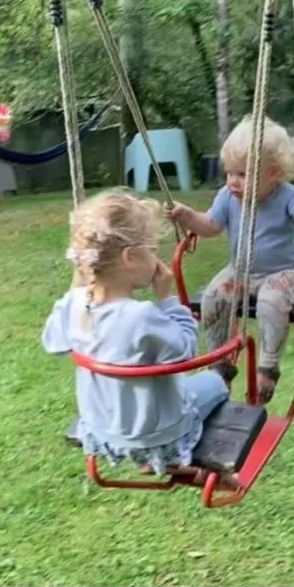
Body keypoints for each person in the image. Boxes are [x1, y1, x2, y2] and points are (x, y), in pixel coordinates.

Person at [41, 188, 237, 484]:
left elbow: (52, 342)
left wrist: (78, 284)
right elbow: (185, 348)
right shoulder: (140, 316)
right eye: (153, 250)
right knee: (214, 382)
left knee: (171, 385)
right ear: (131, 257)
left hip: (102, 430)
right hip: (158, 434)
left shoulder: (76, 306)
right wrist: (167, 299)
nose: (156, 257)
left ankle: (158, 463)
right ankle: (172, 459)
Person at [165, 116, 294, 404]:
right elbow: (210, 225)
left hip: (281, 273)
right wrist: (187, 216)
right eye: (230, 173)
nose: (232, 182)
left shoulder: (290, 195)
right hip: (239, 272)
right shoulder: (229, 196)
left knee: (271, 302)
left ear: (273, 173)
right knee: (214, 296)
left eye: (242, 174)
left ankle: (268, 367)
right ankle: (220, 363)